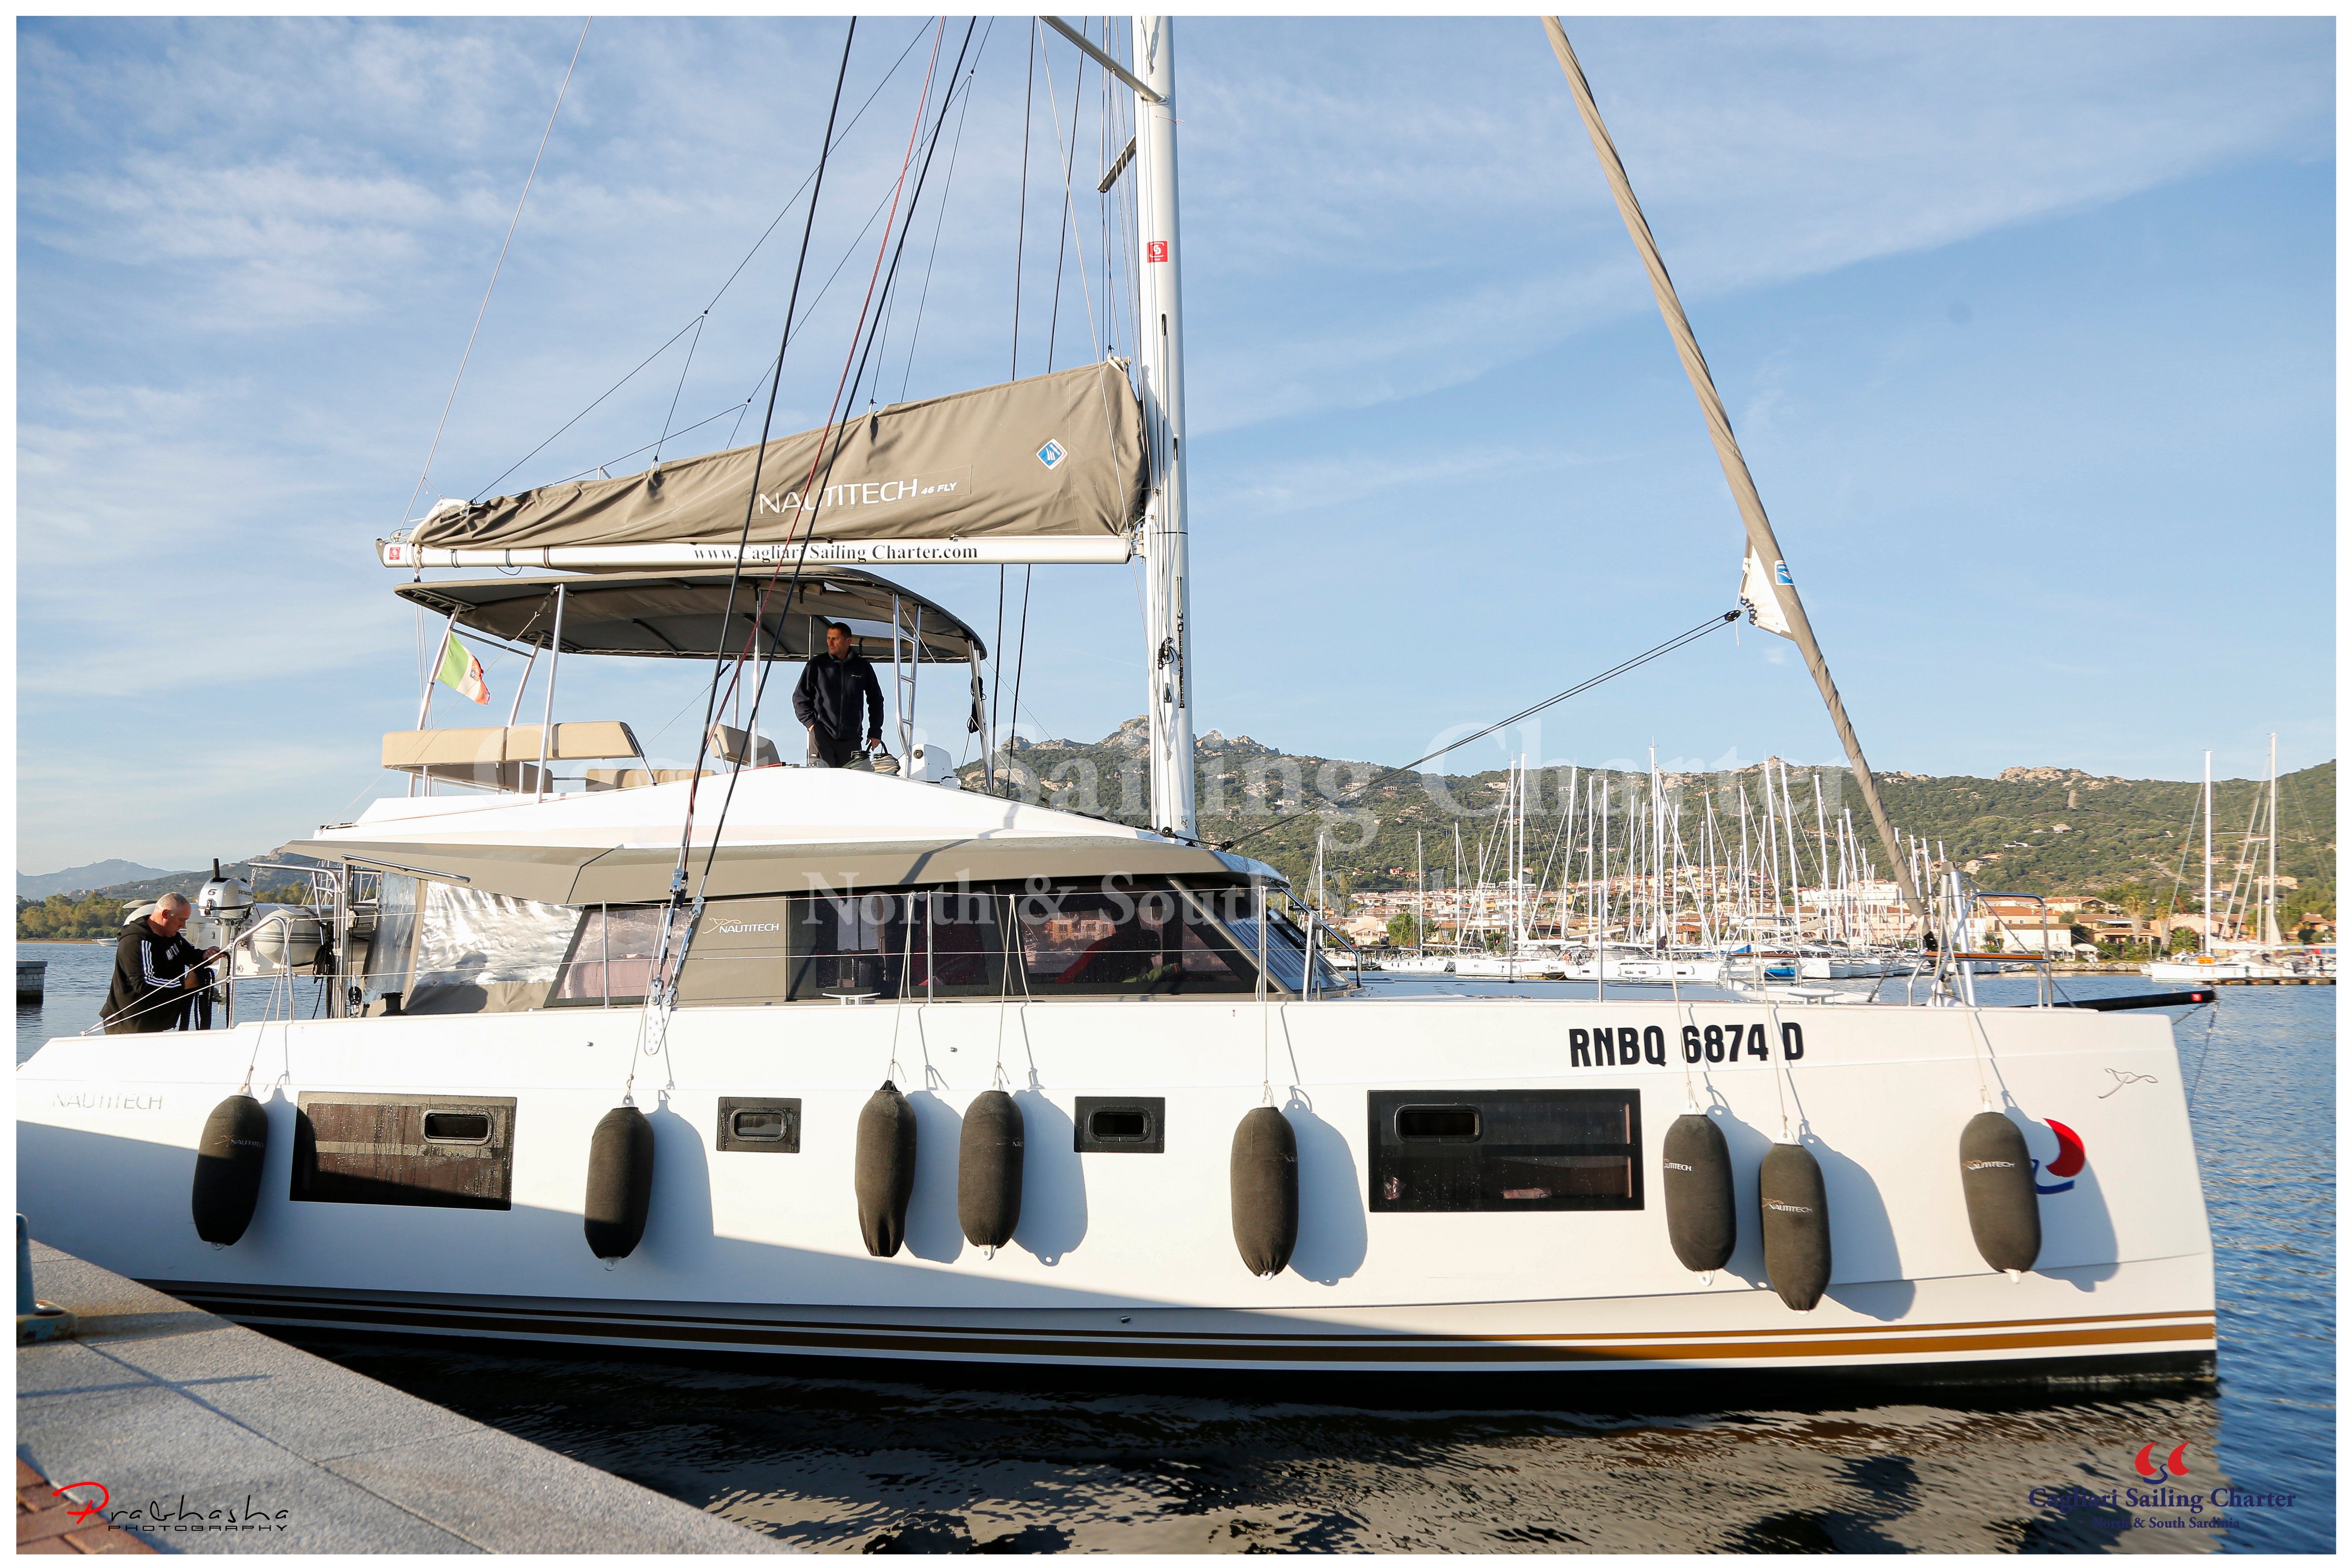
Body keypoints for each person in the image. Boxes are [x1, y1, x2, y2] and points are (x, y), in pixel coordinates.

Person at [102, 893, 222, 1034]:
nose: (183, 925)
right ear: (165, 914)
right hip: (131, 1024)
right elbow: (144, 983)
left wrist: (206, 956)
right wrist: (186, 984)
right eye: (181, 920)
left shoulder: (172, 936)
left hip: (154, 1021)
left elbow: (189, 954)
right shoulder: (137, 941)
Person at [792, 620, 885, 768]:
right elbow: (800, 697)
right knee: (822, 781)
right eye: (829, 638)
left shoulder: (863, 667)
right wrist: (811, 724)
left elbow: (876, 700)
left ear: (848, 641)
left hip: (852, 737)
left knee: (850, 785)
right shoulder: (817, 664)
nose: (830, 642)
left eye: (835, 638)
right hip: (822, 735)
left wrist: (875, 731)